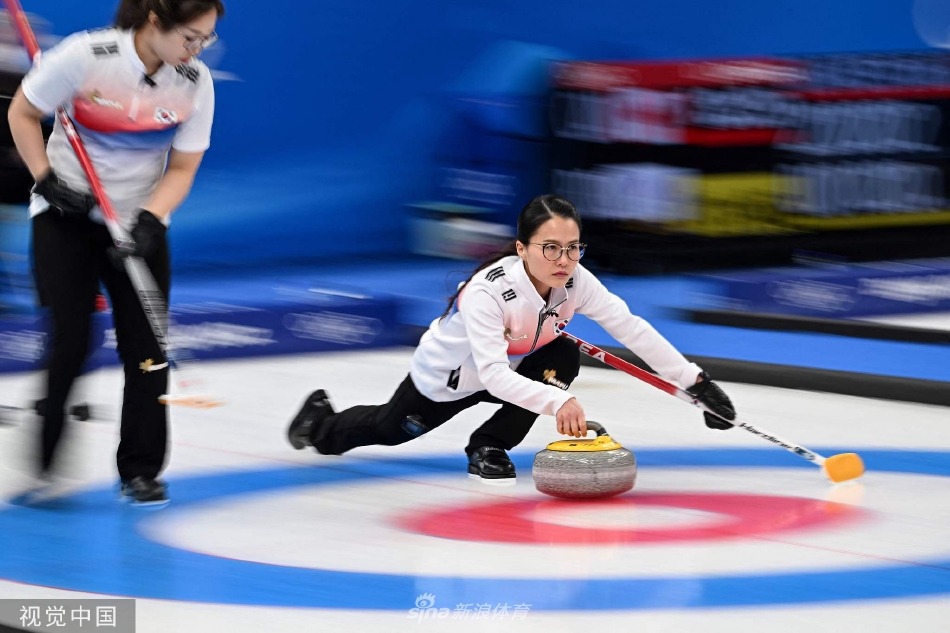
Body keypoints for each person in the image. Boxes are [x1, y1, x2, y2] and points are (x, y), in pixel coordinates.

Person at [287, 194, 737, 482]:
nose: (564, 260)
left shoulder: (576, 280)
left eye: (573, 248)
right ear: (522, 249)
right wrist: (559, 403)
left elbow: (630, 327)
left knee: (562, 357)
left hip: (520, 362)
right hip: (449, 379)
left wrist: (696, 383)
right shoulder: (488, 292)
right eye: (550, 248)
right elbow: (493, 375)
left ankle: (490, 446)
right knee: (390, 430)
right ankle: (318, 425)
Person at [7, 0, 224, 504]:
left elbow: (182, 167)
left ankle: (140, 471)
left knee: (147, 349)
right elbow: (23, 112)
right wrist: (46, 179)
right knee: (71, 339)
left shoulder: (193, 81)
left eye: (205, 39)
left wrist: (152, 217)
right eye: (190, 37)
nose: (197, 49)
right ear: (156, 21)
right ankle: (44, 465)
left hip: (137, 222)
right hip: (66, 216)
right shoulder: (86, 55)